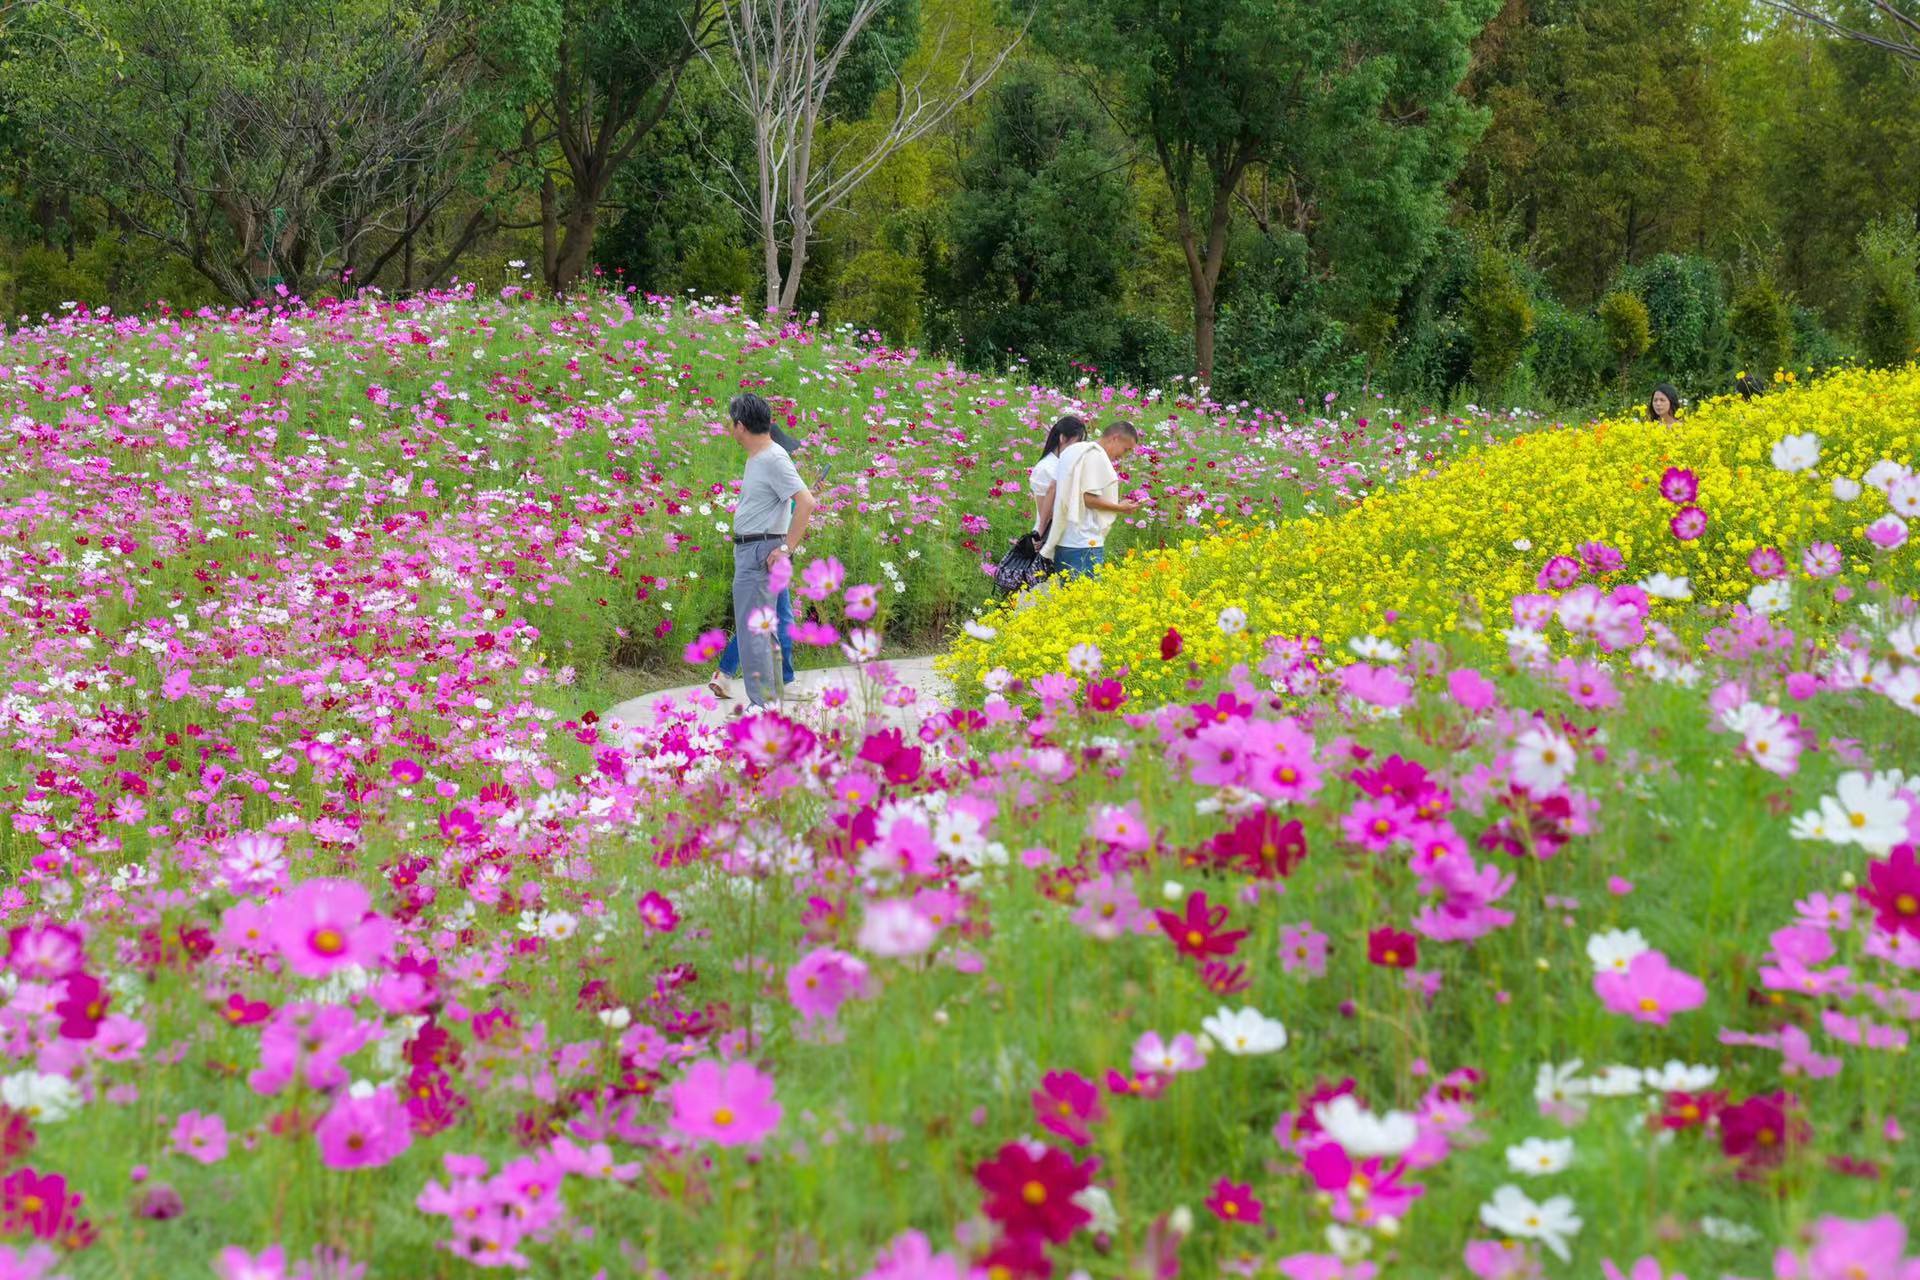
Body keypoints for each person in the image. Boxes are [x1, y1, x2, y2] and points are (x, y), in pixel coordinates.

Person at [724, 394, 815, 709]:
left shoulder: (773, 457)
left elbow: (806, 502)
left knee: (754, 630)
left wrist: (787, 548)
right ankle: (770, 700)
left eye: (732, 423)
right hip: (755, 548)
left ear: (741, 425)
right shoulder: (760, 456)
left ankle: (761, 705)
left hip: (760, 550)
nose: (731, 430)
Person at [1038, 422, 1143, 578]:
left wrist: (1041, 529)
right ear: (1115, 438)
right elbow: (1087, 498)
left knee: (1067, 597)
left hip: (1063, 542)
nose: (1123, 456)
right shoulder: (1095, 455)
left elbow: (1052, 489)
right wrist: (1121, 508)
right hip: (1085, 543)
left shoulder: (1072, 451)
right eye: (1125, 449)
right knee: (1083, 599)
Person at [1027, 415, 1088, 533]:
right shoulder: (1045, 468)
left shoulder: (1068, 463)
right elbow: (1046, 514)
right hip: (1047, 536)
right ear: (1063, 438)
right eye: (1077, 442)